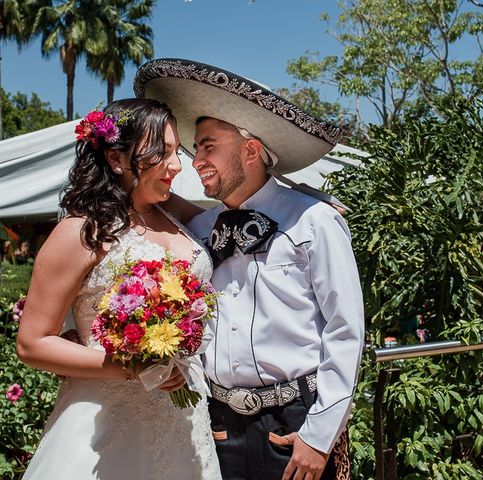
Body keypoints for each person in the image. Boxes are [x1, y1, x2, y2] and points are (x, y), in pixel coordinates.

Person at [135, 58, 365, 480]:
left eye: (207, 146)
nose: (195, 160)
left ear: (251, 149)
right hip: (220, 428)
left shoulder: (316, 220)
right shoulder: (201, 231)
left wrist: (320, 435)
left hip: (296, 428)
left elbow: (345, 330)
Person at [16, 98, 222, 480]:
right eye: (161, 154)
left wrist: (307, 204)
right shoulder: (82, 231)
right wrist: (133, 367)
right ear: (115, 159)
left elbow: (236, 214)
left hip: (183, 418)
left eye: (177, 152)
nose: (176, 166)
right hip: (103, 424)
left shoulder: (172, 212)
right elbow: (32, 343)